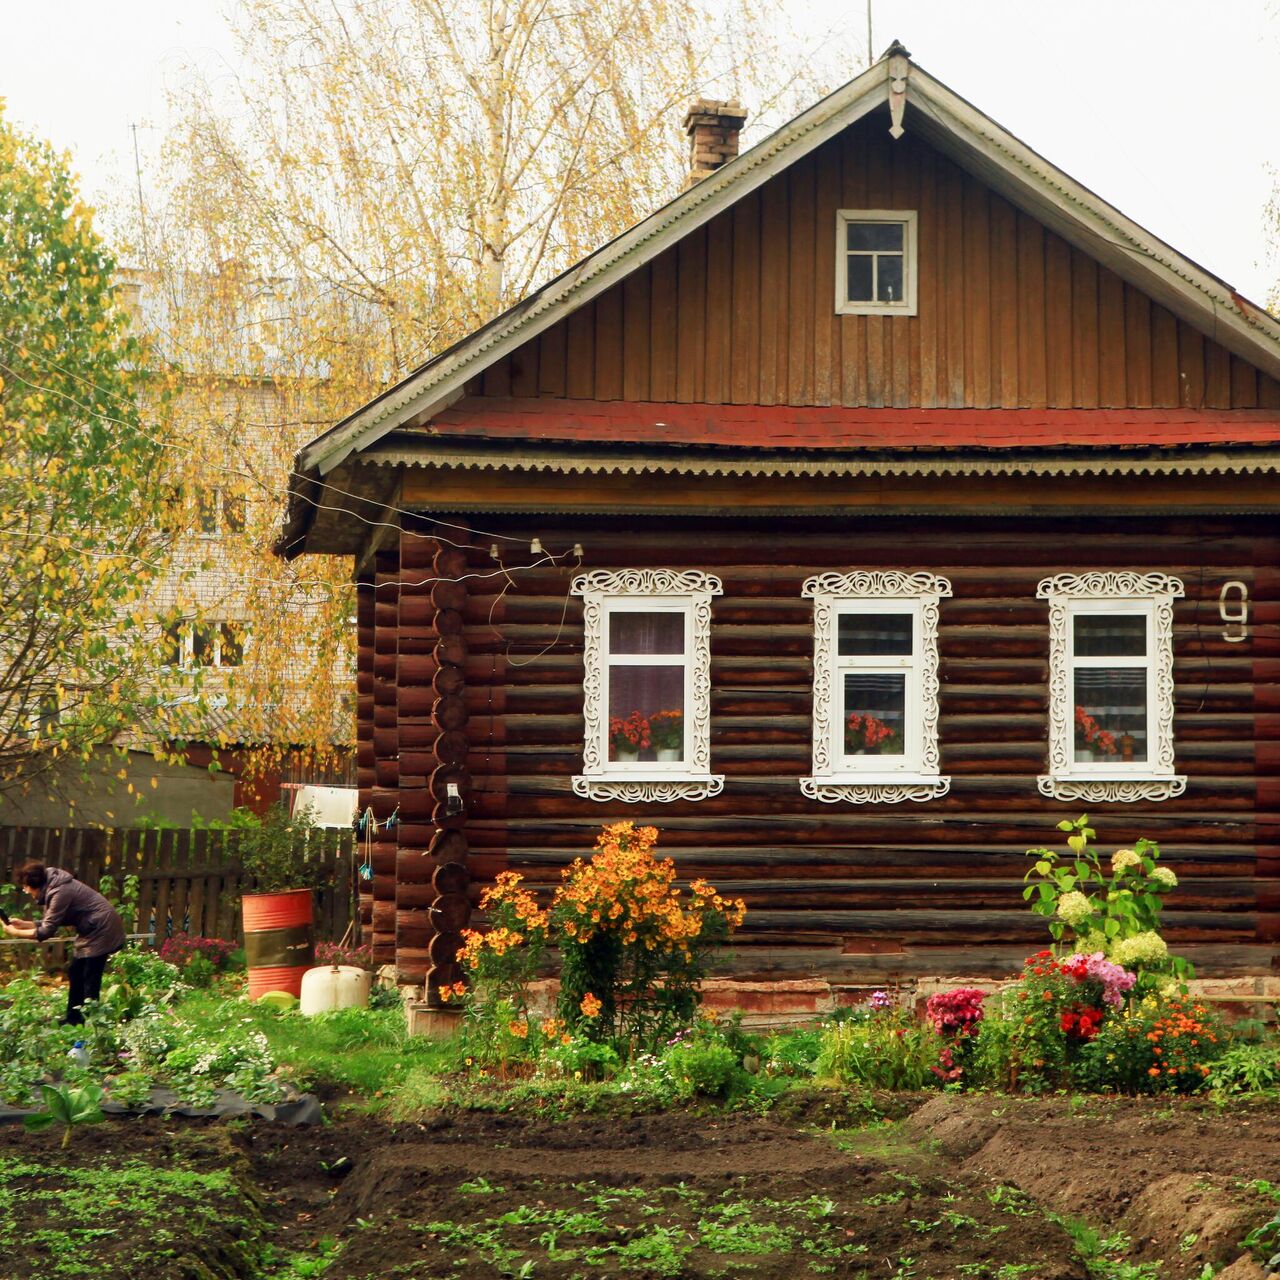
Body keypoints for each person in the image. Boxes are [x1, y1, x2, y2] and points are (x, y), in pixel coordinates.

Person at [3, 861, 126, 1025]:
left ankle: (92, 1022)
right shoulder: (53, 886)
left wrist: (15, 933)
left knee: (90, 975)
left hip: (103, 929)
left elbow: (47, 931)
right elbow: (51, 921)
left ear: (36, 884)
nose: (26, 891)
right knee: (76, 971)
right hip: (91, 929)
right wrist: (24, 924)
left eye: (26, 887)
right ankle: (74, 1019)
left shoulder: (60, 891)